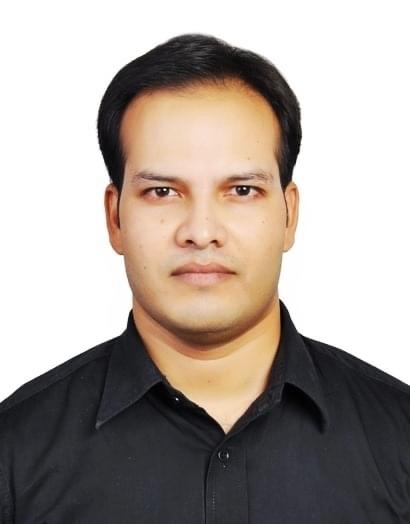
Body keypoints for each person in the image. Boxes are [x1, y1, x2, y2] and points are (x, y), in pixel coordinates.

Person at [0, 33, 409, 523]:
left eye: (241, 190)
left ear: (289, 215)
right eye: (162, 192)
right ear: (115, 218)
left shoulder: (398, 440)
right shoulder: (15, 455)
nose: (200, 231)